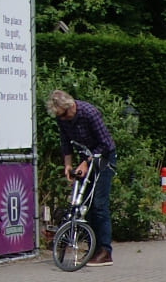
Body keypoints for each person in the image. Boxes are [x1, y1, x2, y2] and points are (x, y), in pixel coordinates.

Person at [46, 89, 116, 266]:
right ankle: (92, 247)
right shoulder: (62, 119)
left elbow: (105, 143)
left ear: (69, 107)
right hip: (86, 157)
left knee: (99, 204)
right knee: (85, 204)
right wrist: (68, 165)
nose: (63, 120)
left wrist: (86, 162)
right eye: (60, 117)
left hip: (103, 157)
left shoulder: (89, 113)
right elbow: (65, 142)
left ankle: (105, 251)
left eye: (65, 115)